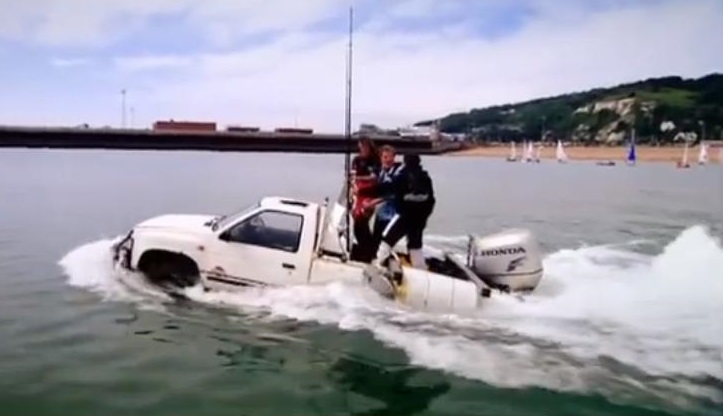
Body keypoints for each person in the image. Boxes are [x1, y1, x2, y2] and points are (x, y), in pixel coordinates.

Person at [372, 153, 435, 270]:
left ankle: (378, 264)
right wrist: (424, 217)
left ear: (405, 162)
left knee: (387, 238)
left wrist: (370, 189)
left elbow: (388, 189)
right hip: (419, 219)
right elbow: (431, 201)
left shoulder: (402, 177)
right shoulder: (425, 177)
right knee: (415, 245)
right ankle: (420, 270)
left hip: (404, 217)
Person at [349, 137, 381, 262]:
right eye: (360, 148)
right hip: (357, 193)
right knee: (357, 225)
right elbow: (352, 176)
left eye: (363, 147)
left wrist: (359, 178)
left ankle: (370, 252)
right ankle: (366, 250)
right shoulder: (356, 160)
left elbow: (374, 177)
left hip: (369, 195)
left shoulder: (374, 160)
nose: (362, 150)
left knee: (362, 222)